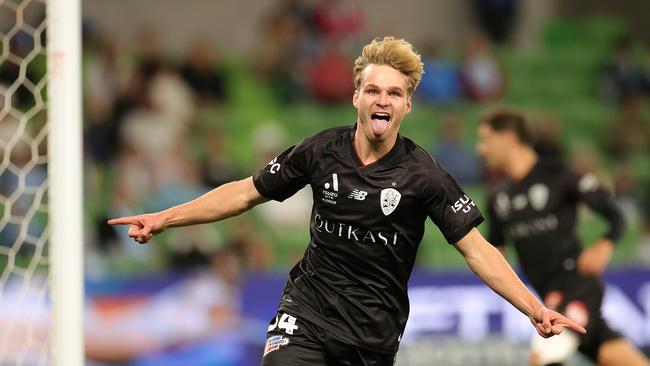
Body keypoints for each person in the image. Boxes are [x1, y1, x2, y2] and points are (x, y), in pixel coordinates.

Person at [108, 37, 585, 365]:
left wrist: (533, 308)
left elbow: (478, 250)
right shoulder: (320, 150)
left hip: (371, 336)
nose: (383, 99)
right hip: (306, 312)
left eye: (394, 93)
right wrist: (166, 218)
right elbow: (245, 193)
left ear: (407, 105)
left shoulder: (426, 176)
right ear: (356, 96)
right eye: (373, 89)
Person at [475, 109, 649, 366]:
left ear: (508, 138)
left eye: (486, 140)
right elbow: (496, 253)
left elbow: (614, 213)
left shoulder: (558, 175)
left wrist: (605, 243)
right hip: (549, 298)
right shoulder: (498, 197)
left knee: (542, 360)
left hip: (578, 285)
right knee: (615, 354)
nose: (481, 149)